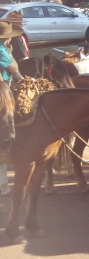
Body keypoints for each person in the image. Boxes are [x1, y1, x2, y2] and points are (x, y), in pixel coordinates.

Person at [0, 21, 24, 197]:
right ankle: (8, 142)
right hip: (2, 86)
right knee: (6, 120)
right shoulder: (1, 49)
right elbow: (14, 68)